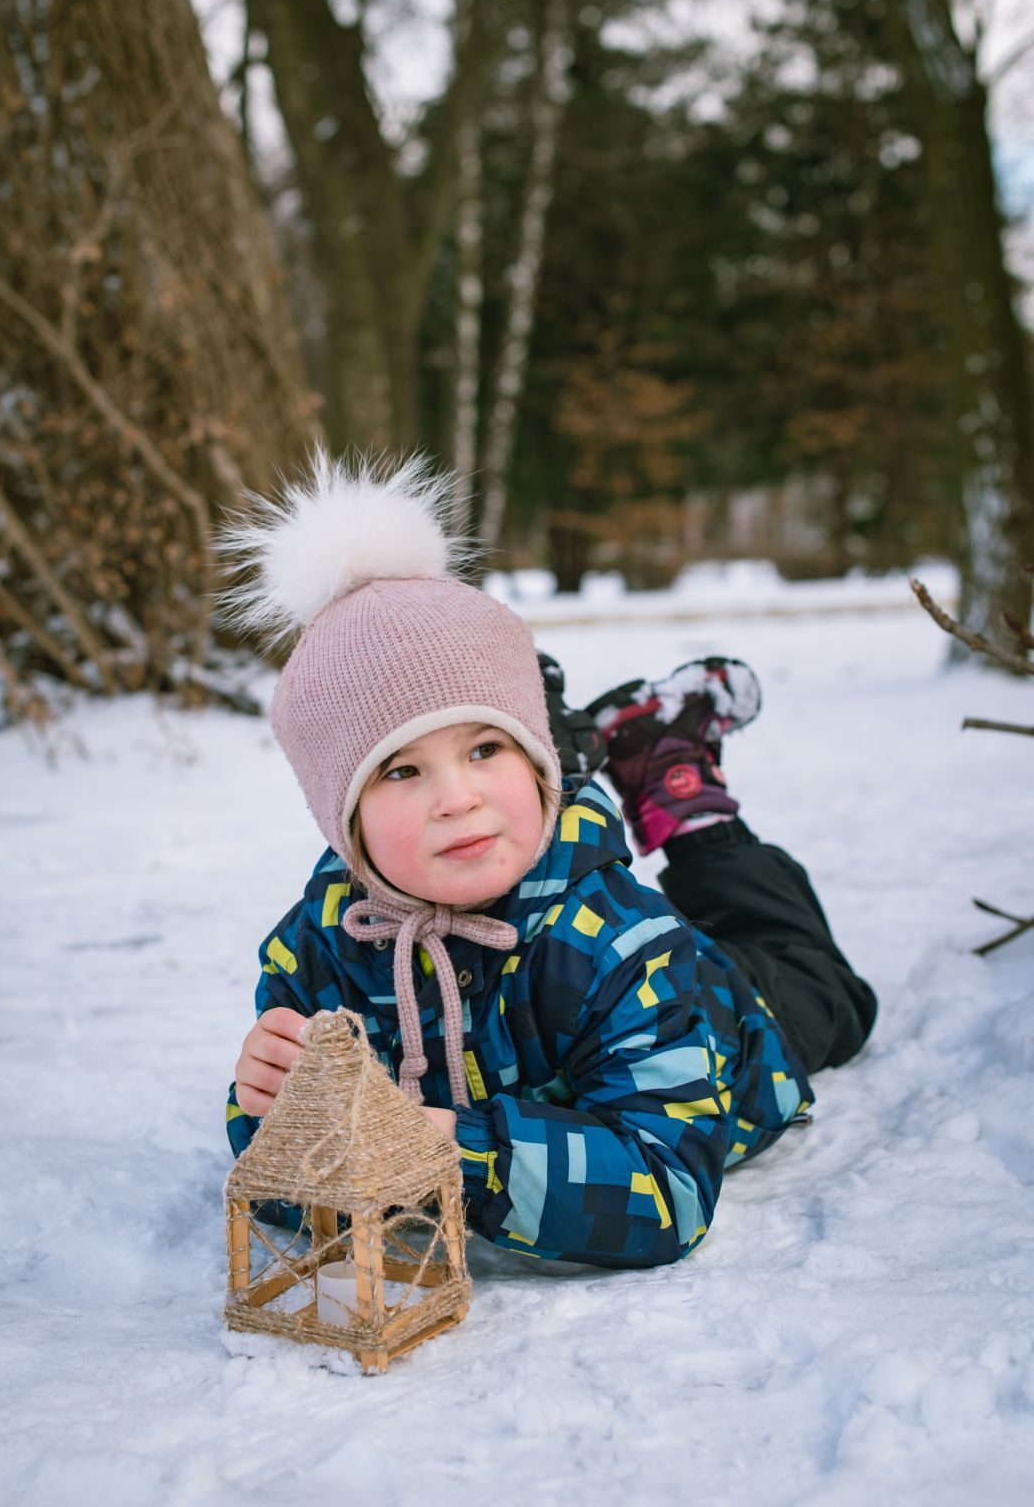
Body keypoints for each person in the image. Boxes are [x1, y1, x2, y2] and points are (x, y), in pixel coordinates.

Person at [225, 453, 876, 1270]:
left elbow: (665, 1191)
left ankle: (686, 795)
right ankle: (601, 738)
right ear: (341, 818)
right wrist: (269, 1110)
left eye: (486, 747)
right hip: (606, 976)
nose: (455, 798)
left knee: (830, 993)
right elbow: (281, 1177)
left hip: (737, 1015)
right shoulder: (317, 949)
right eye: (401, 770)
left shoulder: (625, 949)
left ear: (539, 771)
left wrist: (449, 1153)